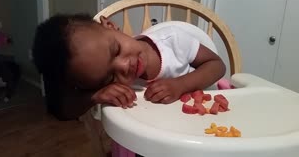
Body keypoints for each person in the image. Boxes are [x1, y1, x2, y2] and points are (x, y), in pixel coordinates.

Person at [32, 13, 225, 112]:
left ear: (110, 25)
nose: (124, 67)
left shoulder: (173, 41)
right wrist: (95, 96)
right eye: (109, 76)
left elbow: (217, 65)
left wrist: (181, 85)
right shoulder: (106, 85)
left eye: (116, 50)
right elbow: (62, 109)